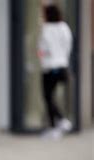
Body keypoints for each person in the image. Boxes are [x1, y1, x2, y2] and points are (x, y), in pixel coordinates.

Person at [37, 4, 73, 139]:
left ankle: (61, 121)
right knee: (51, 97)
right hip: (62, 67)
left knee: (48, 97)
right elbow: (68, 46)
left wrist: (41, 56)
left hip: (49, 68)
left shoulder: (46, 29)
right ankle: (56, 127)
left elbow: (42, 49)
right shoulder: (64, 28)